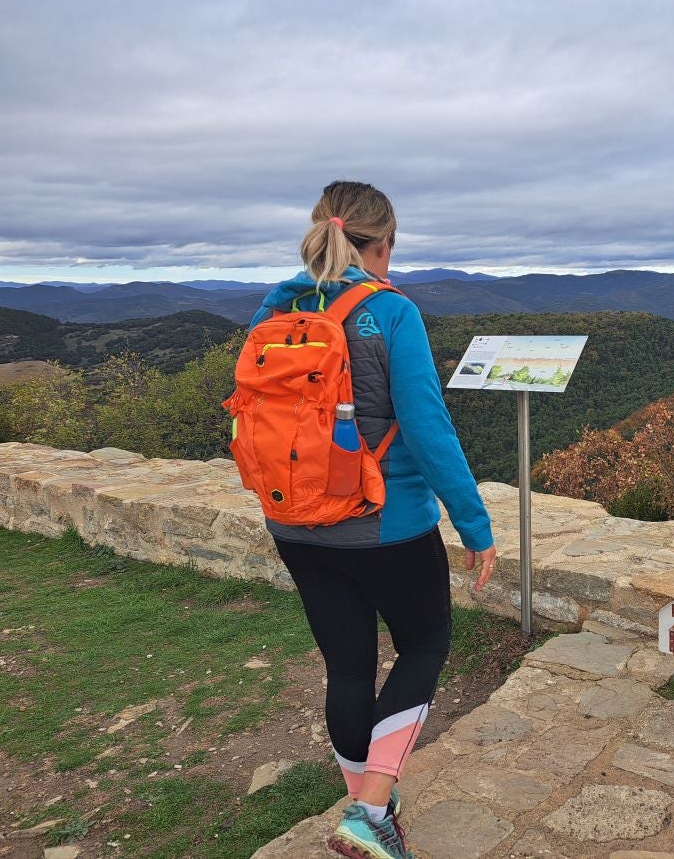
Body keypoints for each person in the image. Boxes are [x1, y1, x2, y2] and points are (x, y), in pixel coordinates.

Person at [247, 181, 497, 859]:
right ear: (382, 243)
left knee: (348, 668)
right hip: (386, 523)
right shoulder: (390, 312)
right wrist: (475, 526)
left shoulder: (277, 309)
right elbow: (428, 428)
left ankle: (369, 814)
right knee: (423, 647)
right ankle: (370, 810)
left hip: (294, 522)